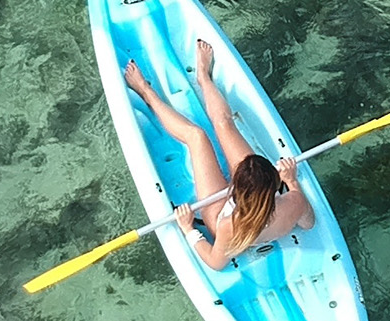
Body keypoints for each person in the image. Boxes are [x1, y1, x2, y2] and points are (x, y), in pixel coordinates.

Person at [124, 39, 315, 269]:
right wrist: (292, 181)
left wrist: (188, 228)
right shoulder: (294, 202)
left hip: (221, 216)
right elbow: (308, 223)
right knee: (224, 124)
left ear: (235, 185)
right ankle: (203, 78)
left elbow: (216, 262)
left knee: (197, 137)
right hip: (255, 209)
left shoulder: (227, 226)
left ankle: (146, 92)